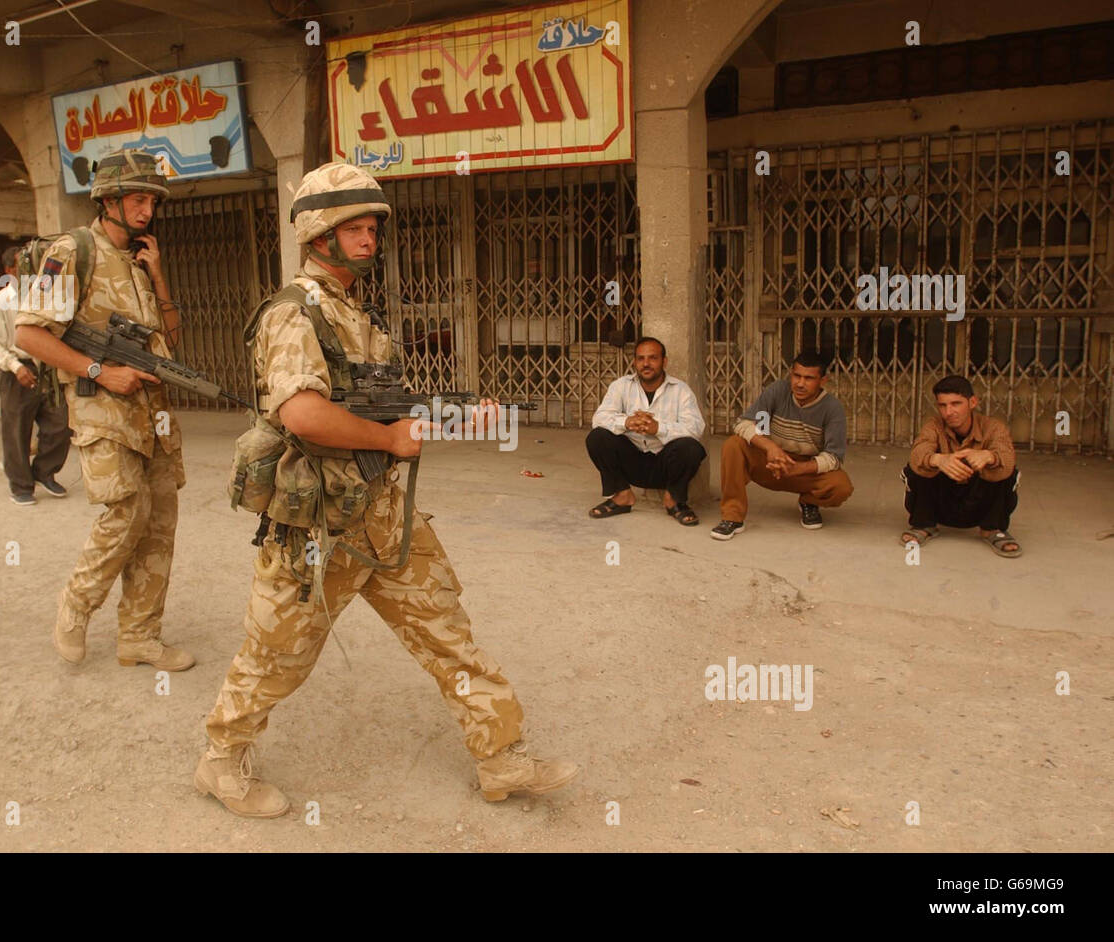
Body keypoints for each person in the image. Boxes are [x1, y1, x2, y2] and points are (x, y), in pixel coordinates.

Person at [196, 162, 576, 818]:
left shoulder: (356, 314)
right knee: (277, 652)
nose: (370, 239)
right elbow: (304, 415)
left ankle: (501, 756)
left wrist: (458, 416)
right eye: (356, 227)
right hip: (318, 523)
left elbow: (389, 412)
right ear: (319, 233)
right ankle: (221, 760)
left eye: (373, 227)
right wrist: (394, 440)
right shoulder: (295, 313)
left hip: (384, 514)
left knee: (446, 630)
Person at [15, 148, 193, 673]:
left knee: (159, 524)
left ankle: (139, 637)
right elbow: (28, 333)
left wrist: (158, 276)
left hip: (154, 415)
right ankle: (76, 604)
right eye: (137, 199)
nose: (147, 210)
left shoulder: (139, 261)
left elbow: (171, 342)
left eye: (151, 201)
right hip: (103, 410)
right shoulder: (72, 251)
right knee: (124, 512)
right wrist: (97, 370)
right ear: (108, 200)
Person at [711, 351, 853, 540]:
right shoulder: (778, 391)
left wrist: (798, 468)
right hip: (769, 462)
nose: (800, 383)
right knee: (733, 445)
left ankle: (808, 502)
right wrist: (770, 447)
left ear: (823, 380)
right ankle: (732, 517)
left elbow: (833, 457)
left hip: (803, 470)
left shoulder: (832, 408)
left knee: (840, 485)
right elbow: (745, 424)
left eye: (809, 378)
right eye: (797, 376)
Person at [0, 244, 71, 506]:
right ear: (10, 270)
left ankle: (45, 471)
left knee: (60, 424)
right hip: (17, 369)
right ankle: (21, 485)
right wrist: (15, 366)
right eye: (24, 265)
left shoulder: (43, 299)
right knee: (16, 429)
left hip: (46, 367)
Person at [585, 337, 707, 525]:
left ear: (664, 361)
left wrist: (659, 428)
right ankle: (623, 496)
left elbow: (696, 427)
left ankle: (673, 499)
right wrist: (627, 422)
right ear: (634, 362)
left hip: (665, 465)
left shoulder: (681, 390)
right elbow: (599, 418)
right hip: (631, 462)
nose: (646, 364)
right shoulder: (621, 386)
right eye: (641, 359)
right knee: (597, 437)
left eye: (653, 358)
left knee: (691, 447)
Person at [901, 375, 1020, 557]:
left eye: (956, 404)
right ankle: (924, 524)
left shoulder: (993, 427)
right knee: (918, 466)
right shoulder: (934, 425)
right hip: (942, 500)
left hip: (979, 501)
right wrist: (939, 460)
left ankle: (992, 529)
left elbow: (1007, 455)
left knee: (1006, 469)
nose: (949, 412)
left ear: (972, 402)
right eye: (943, 405)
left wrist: (989, 456)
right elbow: (919, 451)